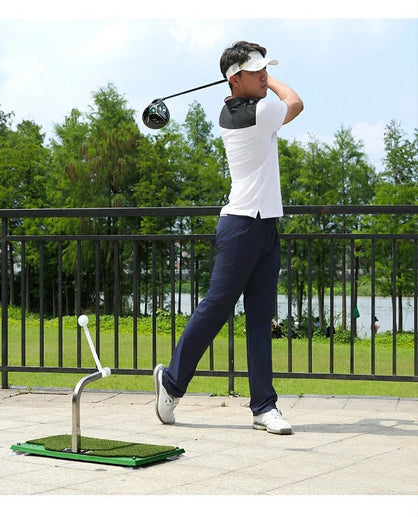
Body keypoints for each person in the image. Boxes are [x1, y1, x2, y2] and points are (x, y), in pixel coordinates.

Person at [153, 40, 303, 435]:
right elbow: (296, 102)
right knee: (216, 308)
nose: (264, 76)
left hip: (266, 224)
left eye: (266, 70)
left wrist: (258, 75)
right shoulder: (259, 111)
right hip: (241, 226)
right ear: (235, 80)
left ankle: (264, 407)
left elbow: (273, 97)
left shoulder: (237, 108)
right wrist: (273, 82)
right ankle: (171, 383)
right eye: (256, 72)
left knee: (260, 318)